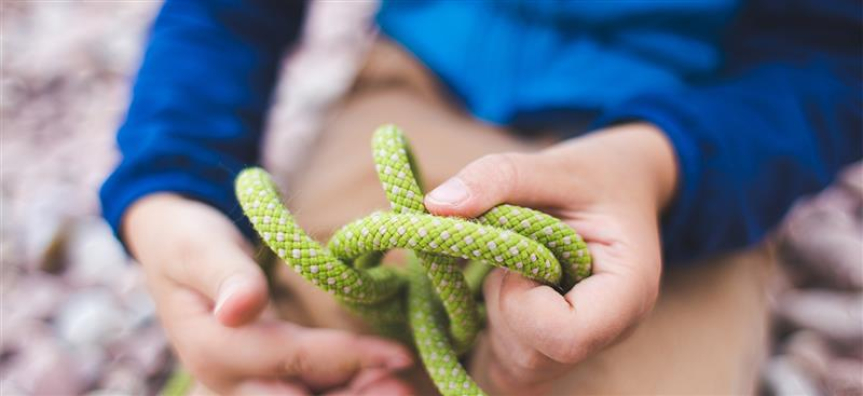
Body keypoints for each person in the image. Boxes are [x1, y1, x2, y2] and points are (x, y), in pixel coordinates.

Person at [101, 0, 862, 394]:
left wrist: (662, 164)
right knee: (274, 356)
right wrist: (172, 186)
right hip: (419, 86)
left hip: (693, 142)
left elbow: (833, 53)